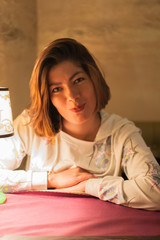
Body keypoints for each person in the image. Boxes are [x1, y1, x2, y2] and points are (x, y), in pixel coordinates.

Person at [0, 38, 160, 210]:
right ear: (48, 97)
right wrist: (50, 179)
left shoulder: (121, 133)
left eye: (78, 80)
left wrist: (88, 186)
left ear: (93, 79)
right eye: (57, 89)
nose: (72, 96)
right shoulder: (29, 124)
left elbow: (155, 192)